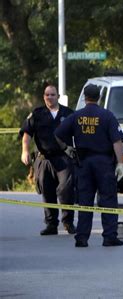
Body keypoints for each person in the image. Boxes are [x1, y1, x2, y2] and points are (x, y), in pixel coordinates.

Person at [55, 84, 123, 248]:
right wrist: (120, 163)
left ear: (85, 97)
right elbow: (117, 141)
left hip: (83, 163)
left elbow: (58, 134)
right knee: (108, 199)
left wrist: (66, 149)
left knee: (85, 201)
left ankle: (81, 238)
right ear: (99, 96)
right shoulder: (107, 116)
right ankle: (109, 236)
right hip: (104, 163)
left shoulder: (76, 116)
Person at [19, 84, 76, 236]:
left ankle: (68, 222)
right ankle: (51, 224)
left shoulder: (68, 113)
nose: (49, 97)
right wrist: (24, 151)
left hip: (63, 158)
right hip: (44, 159)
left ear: (58, 96)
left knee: (66, 189)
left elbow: (79, 134)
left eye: (52, 94)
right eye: (46, 95)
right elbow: (26, 134)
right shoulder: (37, 114)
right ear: (44, 97)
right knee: (47, 191)